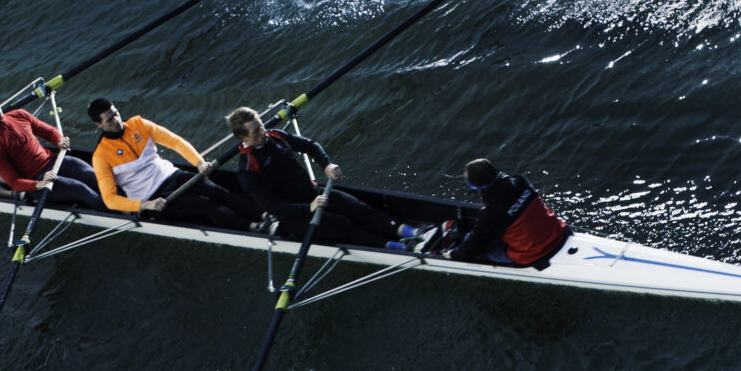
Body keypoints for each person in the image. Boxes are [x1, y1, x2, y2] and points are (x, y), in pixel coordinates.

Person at [223, 107, 405, 248]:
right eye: (256, 131)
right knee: (344, 226)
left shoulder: (276, 136)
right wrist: (308, 207)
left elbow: (310, 146)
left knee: (359, 209)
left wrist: (327, 165)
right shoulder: (247, 170)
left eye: (261, 125)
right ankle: (399, 248)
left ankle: (409, 232)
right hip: (294, 216)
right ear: (243, 137)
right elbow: (272, 206)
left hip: (314, 193)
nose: (263, 132)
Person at [87, 98, 248, 230]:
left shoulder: (138, 124)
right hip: (153, 198)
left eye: (116, 113)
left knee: (216, 190)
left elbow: (174, 141)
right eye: (110, 120)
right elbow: (110, 199)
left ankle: (260, 214)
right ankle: (252, 227)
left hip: (171, 175)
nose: (117, 120)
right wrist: (145, 205)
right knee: (204, 204)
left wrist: (199, 162)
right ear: (99, 125)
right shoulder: (101, 156)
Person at [0, 90, 101, 208]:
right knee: (81, 189)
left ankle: (112, 198)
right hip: (38, 180)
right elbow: (15, 183)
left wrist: (59, 140)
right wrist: (40, 184)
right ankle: (111, 210)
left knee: (92, 174)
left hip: (53, 160)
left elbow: (49, 132)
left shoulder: (19, 114)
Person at [446, 158, 570, 266]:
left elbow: (469, 251)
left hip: (534, 255)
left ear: (478, 189)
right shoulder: (521, 182)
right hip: (559, 233)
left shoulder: (491, 214)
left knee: (477, 247)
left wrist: (452, 255)